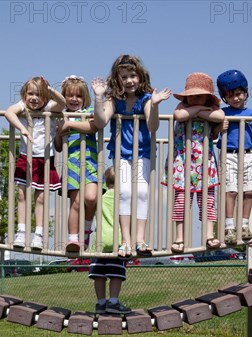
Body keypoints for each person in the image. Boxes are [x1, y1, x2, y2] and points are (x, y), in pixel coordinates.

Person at [91, 54, 172, 259]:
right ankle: (126, 241)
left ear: (140, 77)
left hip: (142, 153)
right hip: (121, 153)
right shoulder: (114, 100)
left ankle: (140, 239)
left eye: (133, 76)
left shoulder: (146, 98)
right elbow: (100, 122)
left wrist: (154, 105)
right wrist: (99, 98)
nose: (129, 81)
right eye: (124, 77)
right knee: (124, 192)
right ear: (117, 79)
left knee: (142, 192)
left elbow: (153, 125)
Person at [163, 72, 225, 252]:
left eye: (200, 96)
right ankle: (179, 238)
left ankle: (209, 235)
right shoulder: (183, 107)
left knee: (208, 201)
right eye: (192, 97)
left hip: (205, 165)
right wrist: (198, 111)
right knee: (181, 202)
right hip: (182, 164)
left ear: (208, 98)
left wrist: (200, 112)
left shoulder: (212, 111)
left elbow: (220, 117)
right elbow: (180, 115)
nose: (195, 100)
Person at [4, 76, 66, 250]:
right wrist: (22, 128)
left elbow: (62, 103)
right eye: (30, 93)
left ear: (45, 96)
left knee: (41, 198)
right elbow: (9, 112)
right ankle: (21, 232)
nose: (33, 98)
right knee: (22, 195)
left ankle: (38, 234)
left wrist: (51, 90)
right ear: (24, 95)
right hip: (26, 156)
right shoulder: (23, 106)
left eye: (38, 94)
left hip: (45, 158)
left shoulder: (48, 107)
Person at [216, 69, 252, 245]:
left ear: (245, 93)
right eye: (230, 96)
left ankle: (244, 225)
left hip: (248, 155)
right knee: (230, 191)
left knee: (248, 191)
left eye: (238, 94)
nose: (235, 98)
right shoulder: (222, 113)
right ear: (225, 98)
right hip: (229, 155)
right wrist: (220, 128)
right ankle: (229, 226)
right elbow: (214, 135)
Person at [54, 75, 98, 252]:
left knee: (91, 197)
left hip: (91, 162)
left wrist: (69, 125)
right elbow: (58, 147)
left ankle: (86, 229)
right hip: (72, 164)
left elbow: (93, 127)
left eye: (78, 96)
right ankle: (72, 238)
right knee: (77, 202)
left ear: (84, 98)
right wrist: (59, 132)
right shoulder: (60, 117)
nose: (74, 99)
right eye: (69, 95)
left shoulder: (88, 113)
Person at [89, 166, 131, 314]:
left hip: (99, 242)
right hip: (117, 241)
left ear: (106, 181)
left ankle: (100, 303)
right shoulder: (124, 199)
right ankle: (113, 301)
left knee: (98, 275)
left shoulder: (100, 198)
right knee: (116, 274)